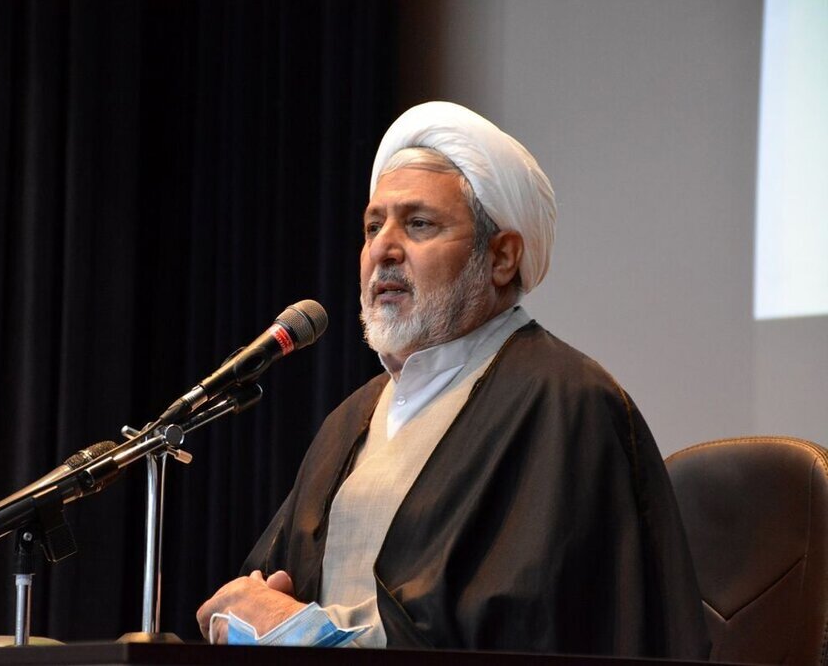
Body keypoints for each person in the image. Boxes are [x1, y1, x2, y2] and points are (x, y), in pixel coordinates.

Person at [196, 101, 710, 657]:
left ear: (502, 257)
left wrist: (300, 631)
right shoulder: (351, 419)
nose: (383, 250)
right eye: (373, 227)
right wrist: (246, 611)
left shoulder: (566, 403)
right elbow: (270, 592)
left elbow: (529, 632)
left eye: (419, 224)